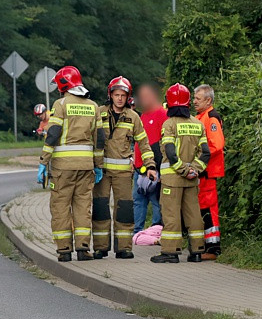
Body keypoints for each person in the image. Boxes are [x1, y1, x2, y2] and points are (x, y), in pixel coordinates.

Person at [38, 66, 105, 262]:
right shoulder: (93, 106)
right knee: (83, 207)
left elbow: (53, 134)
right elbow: (99, 139)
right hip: (86, 167)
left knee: (60, 207)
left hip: (62, 168)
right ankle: (83, 249)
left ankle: (64, 250)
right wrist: (98, 164)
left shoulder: (60, 105)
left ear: (63, 85)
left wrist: (44, 161)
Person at [92, 77, 158, 259]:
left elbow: (143, 143)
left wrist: (150, 165)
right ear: (110, 95)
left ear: (128, 97)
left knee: (124, 209)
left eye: (123, 95)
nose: (120, 99)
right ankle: (100, 247)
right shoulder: (99, 113)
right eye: (116, 95)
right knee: (100, 208)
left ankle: (124, 248)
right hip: (101, 172)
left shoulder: (133, 117)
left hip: (122, 172)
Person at [152, 83, 211, 264]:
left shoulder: (169, 124)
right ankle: (197, 251)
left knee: (171, 215)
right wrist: (194, 169)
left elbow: (170, 153)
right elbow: (206, 152)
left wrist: (184, 170)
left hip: (173, 179)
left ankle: (171, 251)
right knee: (193, 215)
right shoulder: (197, 124)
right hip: (192, 180)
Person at [193, 84, 224, 260]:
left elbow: (216, 145)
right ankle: (207, 246)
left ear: (208, 100)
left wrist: (199, 161)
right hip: (203, 172)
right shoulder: (201, 117)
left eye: (198, 98)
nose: (194, 101)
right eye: (194, 98)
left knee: (209, 210)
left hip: (208, 172)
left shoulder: (211, 118)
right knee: (203, 208)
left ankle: (213, 249)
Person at [132, 82, 167, 233]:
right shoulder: (142, 116)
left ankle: (156, 230)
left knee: (156, 201)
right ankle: (137, 231)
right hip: (139, 167)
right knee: (138, 201)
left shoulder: (162, 114)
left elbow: (163, 143)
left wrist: (157, 167)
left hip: (153, 167)